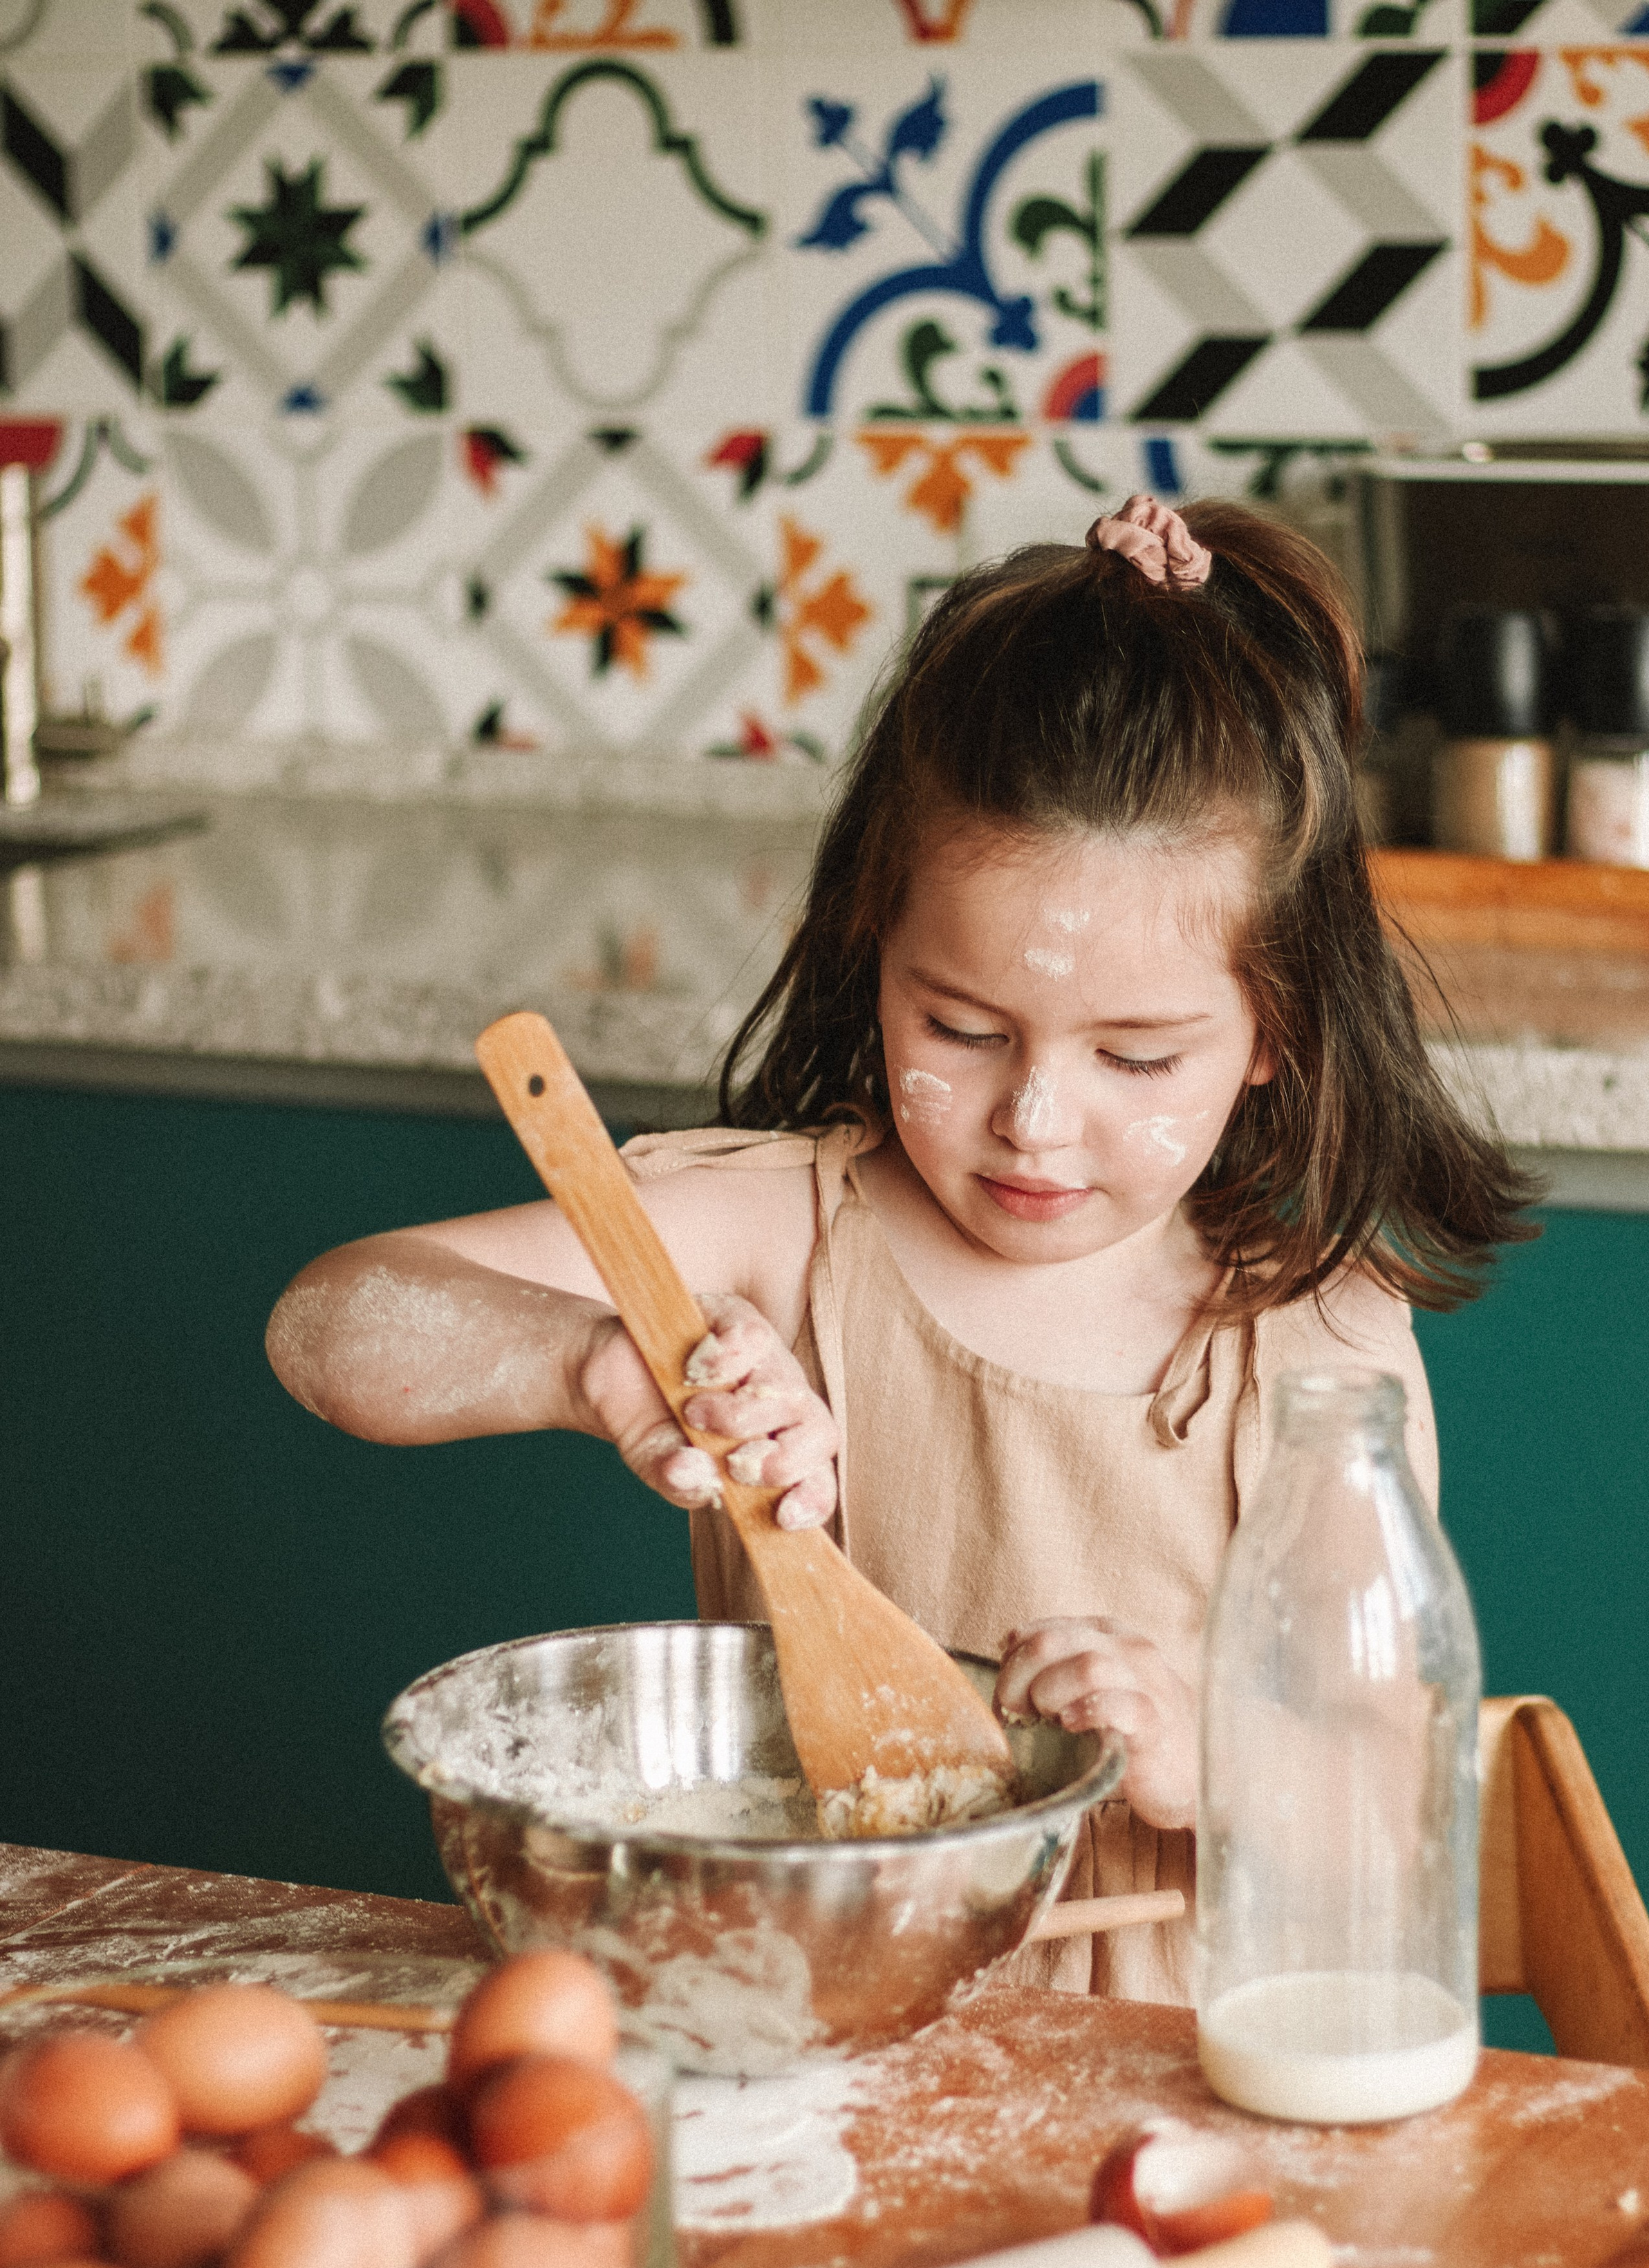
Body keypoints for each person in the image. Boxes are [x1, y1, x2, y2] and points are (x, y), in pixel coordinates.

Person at [267, 494, 1536, 2002]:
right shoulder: (782, 1233)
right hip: (821, 2050)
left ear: (1277, 1030)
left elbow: (1399, 1816)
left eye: (1136, 1056)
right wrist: (593, 1363)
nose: (1034, 1122)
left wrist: (1217, 1757)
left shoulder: (1318, 1348)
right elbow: (331, 1325)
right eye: (963, 1028)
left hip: (1180, 2082)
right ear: (873, 943)